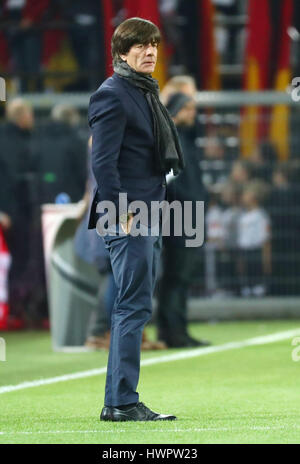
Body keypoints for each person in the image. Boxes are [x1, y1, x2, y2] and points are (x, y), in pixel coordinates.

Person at [88, 17, 184, 421]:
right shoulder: (113, 94)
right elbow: (102, 162)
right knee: (132, 306)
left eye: (154, 45)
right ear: (121, 53)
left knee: (135, 305)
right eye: (141, 46)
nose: (150, 52)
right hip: (129, 215)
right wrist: (121, 211)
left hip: (149, 210)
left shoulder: (143, 92)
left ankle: (120, 400)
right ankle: (122, 402)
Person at [156, 92, 210, 347]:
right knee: (177, 276)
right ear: (175, 111)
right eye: (187, 109)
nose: (192, 114)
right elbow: (169, 180)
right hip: (181, 215)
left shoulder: (185, 138)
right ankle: (173, 332)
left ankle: (176, 330)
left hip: (189, 214)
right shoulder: (171, 138)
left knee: (180, 276)